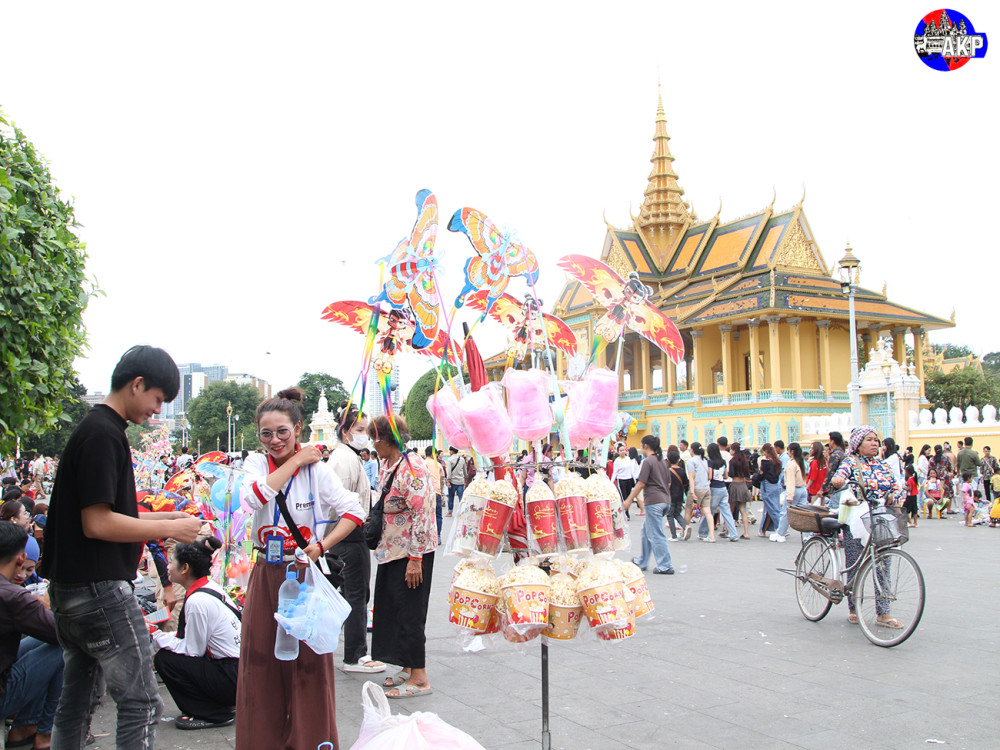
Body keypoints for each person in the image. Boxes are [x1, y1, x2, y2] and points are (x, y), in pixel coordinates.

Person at [41, 345, 203, 749]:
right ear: (137, 385)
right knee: (143, 702)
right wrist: (166, 528)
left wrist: (170, 521)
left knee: (77, 701)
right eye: (158, 400)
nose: (158, 410)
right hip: (98, 591)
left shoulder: (95, 429)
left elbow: (115, 513)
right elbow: (97, 524)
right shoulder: (104, 435)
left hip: (69, 591)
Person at [236, 387, 363, 750]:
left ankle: (312, 742)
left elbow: (354, 511)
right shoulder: (256, 465)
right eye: (266, 433)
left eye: (283, 432)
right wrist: (295, 461)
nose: (275, 440)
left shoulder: (318, 473)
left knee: (310, 666)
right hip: (265, 574)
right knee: (260, 664)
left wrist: (323, 545)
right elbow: (253, 498)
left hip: (305, 575)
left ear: (298, 428)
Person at [367, 415, 438, 699]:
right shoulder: (388, 464)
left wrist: (416, 558)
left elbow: (422, 513)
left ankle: (420, 677)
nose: (374, 444)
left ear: (389, 440)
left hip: (411, 552)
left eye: (377, 438)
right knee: (394, 609)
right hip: (392, 550)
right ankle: (408, 668)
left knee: (410, 612)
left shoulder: (414, 468)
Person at [152, 537, 241, 730]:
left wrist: (155, 636)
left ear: (184, 568)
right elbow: (189, 637)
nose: (167, 568)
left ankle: (214, 715)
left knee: (165, 660)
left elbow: (192, 650)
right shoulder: (209, 587)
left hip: (231, 675)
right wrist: (156, 633)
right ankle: (220, 703)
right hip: (238, 672)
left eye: (171, 563)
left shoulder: (197, 601)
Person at [328, 401, 383, 675]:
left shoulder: (351, 457)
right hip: (347, 535)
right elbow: (338, 504)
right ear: (346, 432)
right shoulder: (344, 459)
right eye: (359, 429)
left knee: (355, 594)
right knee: (355, 595)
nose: (365, 434)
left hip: (350, 534)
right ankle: (354, 655)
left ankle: (354, 651)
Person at [831, 426, 906, 628]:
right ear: (858, 444)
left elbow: (898, 488)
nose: (874, 443)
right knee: (855, 561)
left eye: (876, 440)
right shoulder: (850, 462)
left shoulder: (883, 465)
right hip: (857, 516)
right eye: (869, 440)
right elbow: (839, 476)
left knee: (883, 563)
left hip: (880, 516)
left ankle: (883, 613)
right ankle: (854, 606)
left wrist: (893, 496)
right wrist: (838, 480)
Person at [0, 523, 63, 750]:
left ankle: (26, 725)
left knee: (40, 641)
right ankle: (41, 731)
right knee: (65, 648)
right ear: (20, 558)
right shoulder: (13, 597)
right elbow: (62, 634)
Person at [622, 436, 675, 574]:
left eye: (641, 445)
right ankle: (643, 560)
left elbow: (641, 483)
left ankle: (665, 564)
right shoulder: (663, 461)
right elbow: (668, 483)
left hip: (654, 501)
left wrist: (628, 500)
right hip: (665, 500)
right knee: (646, 531)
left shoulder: (648, 462)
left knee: (656, 534)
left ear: (645, 446)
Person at [702, 443, 738, 542]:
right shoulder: (723, 462)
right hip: (723, 487)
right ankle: (733, 534)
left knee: (709, 512)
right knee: (727, 512)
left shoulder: (710, 462)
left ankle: (703, 532)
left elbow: (710, 476)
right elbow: (726, 476)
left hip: (714, 488)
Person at [686, 442, 713, 541]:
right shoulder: (705, 460)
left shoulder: (692, 461)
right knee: (707, 512)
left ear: (692, 450)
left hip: (697, 489)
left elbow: (691, 477)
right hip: (706, 488)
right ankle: (712, 536)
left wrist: (692, 492)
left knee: (688, 511)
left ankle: (684, 531)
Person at [755, 444, 782, 539]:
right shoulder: (777, 461)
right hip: (775, 486)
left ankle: (781, 528)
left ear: (766, 451)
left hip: (767, 486)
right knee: (771, 508)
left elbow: (761, 474)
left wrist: (754, 478)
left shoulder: (765, 462)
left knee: (772, 509)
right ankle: (763, 530)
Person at [728, 445, 752, 539]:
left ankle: (727, 530)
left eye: (731, 449)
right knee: (743, 510)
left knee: (730, 509)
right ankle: (746, 533)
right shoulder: (744, 461)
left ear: (734, 451)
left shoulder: (732, 461)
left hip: (735, 485)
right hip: (743, 485)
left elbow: (731, 474)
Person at [665, 449, 689, 540]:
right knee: (677, 513)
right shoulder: (682, 471)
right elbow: (686, 483)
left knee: (670, 515)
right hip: (680, 496)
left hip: (671, 496)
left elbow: (668, 484)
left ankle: (674, 536)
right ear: (679, 460)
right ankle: (685, 526)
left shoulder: (668, 471)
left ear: (668, 460)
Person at [424, 446, 445, 541]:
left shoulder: (422, 463)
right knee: (438, 515)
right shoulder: (438, 464)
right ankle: (439, 536)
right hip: (436, 492)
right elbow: (441, 478)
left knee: (426, 515)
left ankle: (427, 536)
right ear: (434, 454)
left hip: (425, 493)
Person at [612, 445, 638, 518]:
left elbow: (632, 470)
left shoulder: (628, 459)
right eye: (621, 450)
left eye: (624, 450)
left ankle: (625, 510)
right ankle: (626, 513)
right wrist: (611, 482)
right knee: (624, 497)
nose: (623, 452)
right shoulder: (617, 461)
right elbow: (615, 472)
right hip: (621, 480)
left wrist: (634, 479)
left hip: (629, 480)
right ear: (618, 452)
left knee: (628, 496)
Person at [445, 447, 467, 517]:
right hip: (460, 481)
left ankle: (450, 512)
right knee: (461, 497)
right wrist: (465, 477)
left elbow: (448, 472)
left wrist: (448, 480)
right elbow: (465, 471)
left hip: (452, 481)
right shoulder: (462, 459)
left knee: (451, 497)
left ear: (451, 451)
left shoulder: (449, 459)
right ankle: (462, 512)